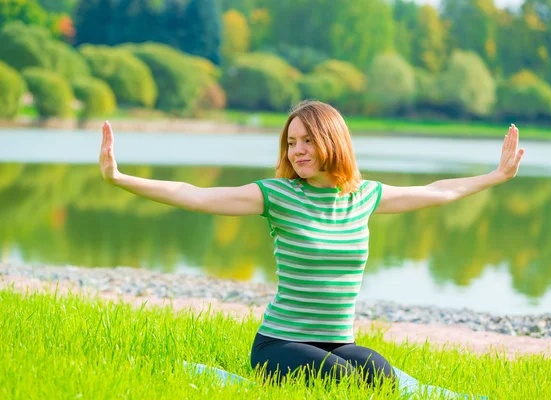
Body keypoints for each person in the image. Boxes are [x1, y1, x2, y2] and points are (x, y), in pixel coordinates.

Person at [99, 100, 524, 389]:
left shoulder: (365, 196)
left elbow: (439, 190)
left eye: (306, 140)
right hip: (279, 344)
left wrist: (495, 176)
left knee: (381, 377)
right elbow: (194, 194)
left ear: (331, 141)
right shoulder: (277, 195)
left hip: (337, 340)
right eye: (290, 142)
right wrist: (120, 178)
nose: (297, 151)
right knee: (342, 381)